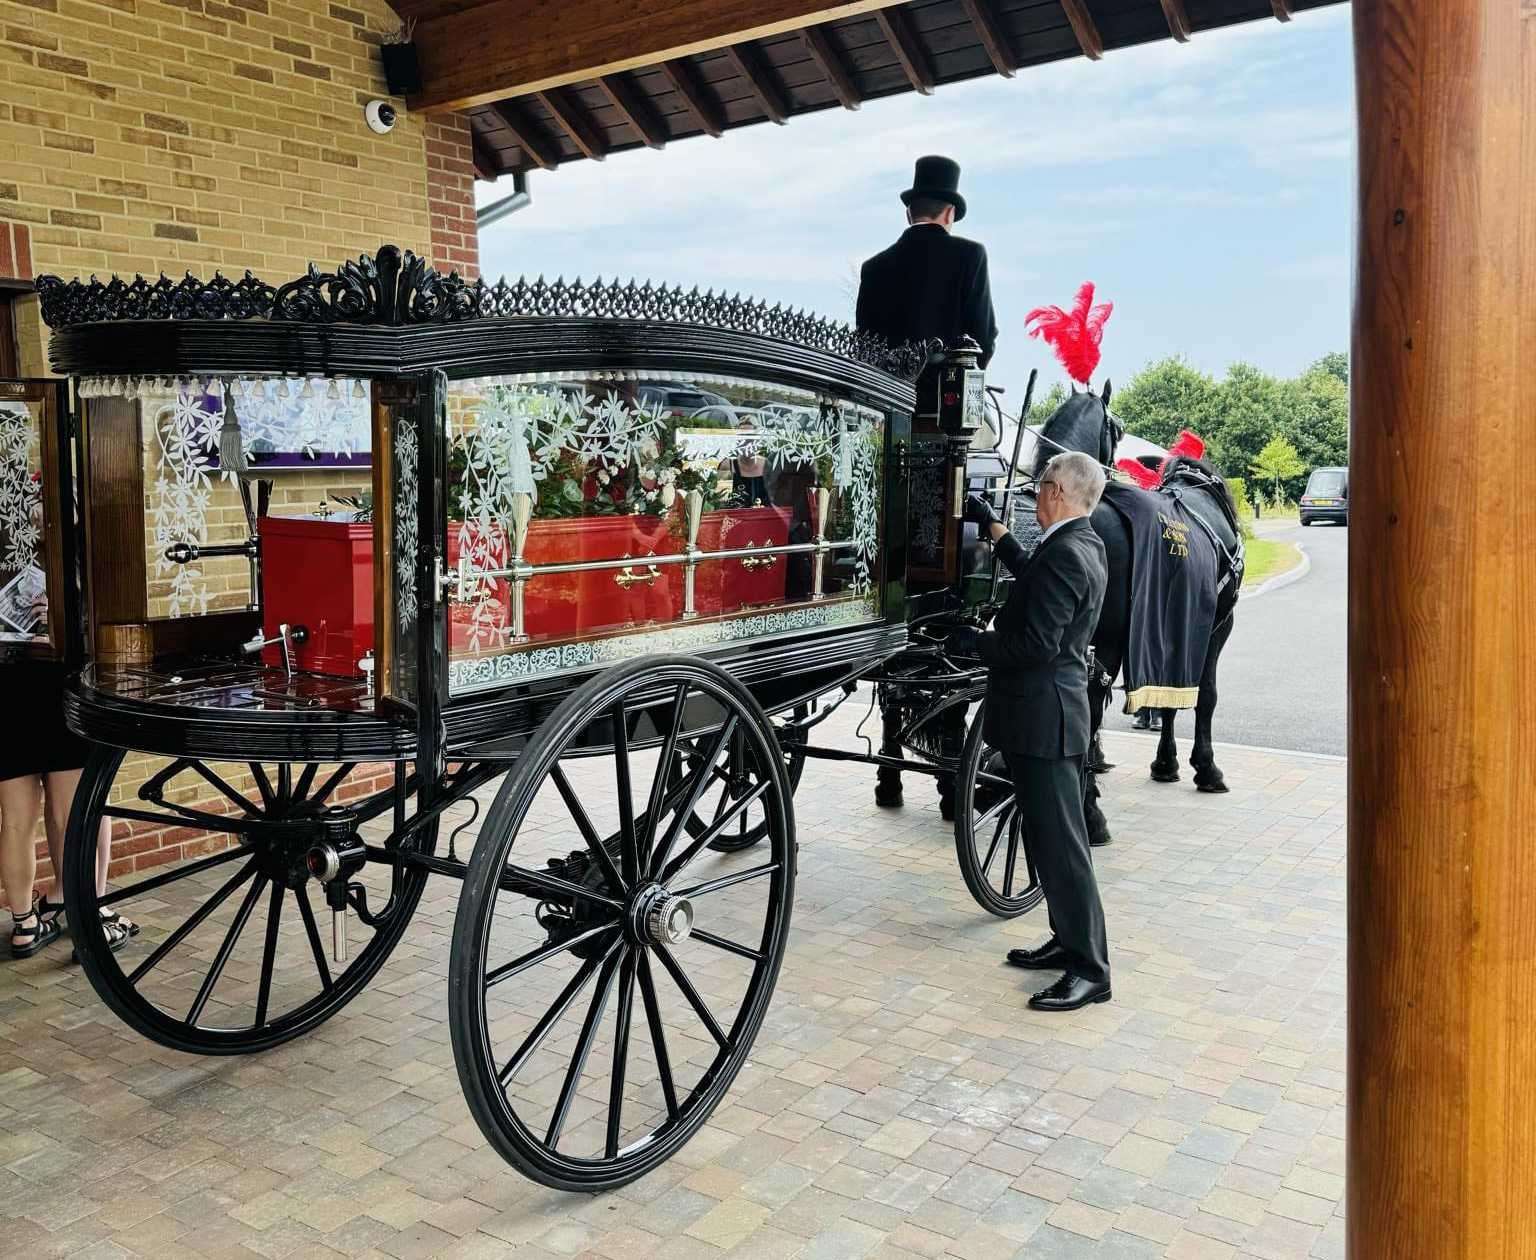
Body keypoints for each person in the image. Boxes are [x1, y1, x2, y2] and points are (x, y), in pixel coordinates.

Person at [957, 452, 1112, 1011]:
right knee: (1050, 841)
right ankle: (1066, 941)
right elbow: (1037, 577)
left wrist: (973, 641)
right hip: (1048, 713)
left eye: (1042, 487)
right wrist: (997, 533)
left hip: (1045, 718)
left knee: (1064, 848)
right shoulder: (1081, 543)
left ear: (1057, 493)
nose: (1037, 496)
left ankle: (1090, 970)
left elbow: (1034, 646)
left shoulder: (1068, 554)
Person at [856, 155, 999, 406]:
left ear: (909, 213)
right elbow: (983, 338)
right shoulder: (970, 255)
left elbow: (865, 346)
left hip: (887, 406)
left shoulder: (873, 268)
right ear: (949, 213)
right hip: (949, 407)